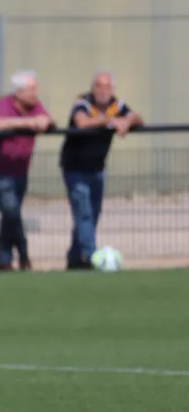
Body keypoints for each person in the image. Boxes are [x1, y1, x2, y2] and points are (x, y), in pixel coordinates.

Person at [60, 71, 143, 270]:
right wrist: (109, 121)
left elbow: (137, 118)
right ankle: (91, 257)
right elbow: (82, 122)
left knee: (92, 213)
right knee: (84, 212)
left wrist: (127, 121)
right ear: (92, 88)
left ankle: (74, 257)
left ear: (112, 89)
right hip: (75, 168)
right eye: (98, 86)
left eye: (106, 86)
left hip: (97, 169)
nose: (102, 91)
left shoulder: (117, 105)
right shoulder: (82, 103)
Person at [0, 70, 55, 272]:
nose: (35, 93)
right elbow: (0, 123)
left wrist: (45, 122)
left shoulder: (35, 106)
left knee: (10, 215)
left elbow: (47, 120)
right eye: (31, 89)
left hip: (20, 170)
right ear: (18, 92)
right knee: (11, 210)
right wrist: (29, 123)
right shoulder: (3, 105)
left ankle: (4, 261)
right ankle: (23, 254)